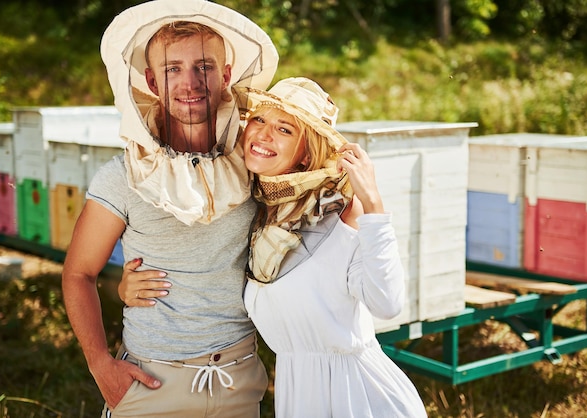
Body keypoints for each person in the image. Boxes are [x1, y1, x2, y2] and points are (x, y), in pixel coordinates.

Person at [120, 77, 427, 417]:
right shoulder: (257, 209)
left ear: (306, 150)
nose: (264, 135)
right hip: (297, 395)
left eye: (285, 129)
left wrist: (374, 204)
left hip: (358, 397)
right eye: (260, 120)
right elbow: (208, 269)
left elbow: (387, 303)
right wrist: (129, 285)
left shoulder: (338, 210)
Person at [61, 0, 278, 416]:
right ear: (151, 81)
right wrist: (100, 365)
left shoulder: (254, 163)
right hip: (152, 384)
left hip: (239, 380)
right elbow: (78, 273)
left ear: (226, 76)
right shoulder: (123, 174)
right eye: (172, 69)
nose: (190, 82)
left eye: (204, 67)